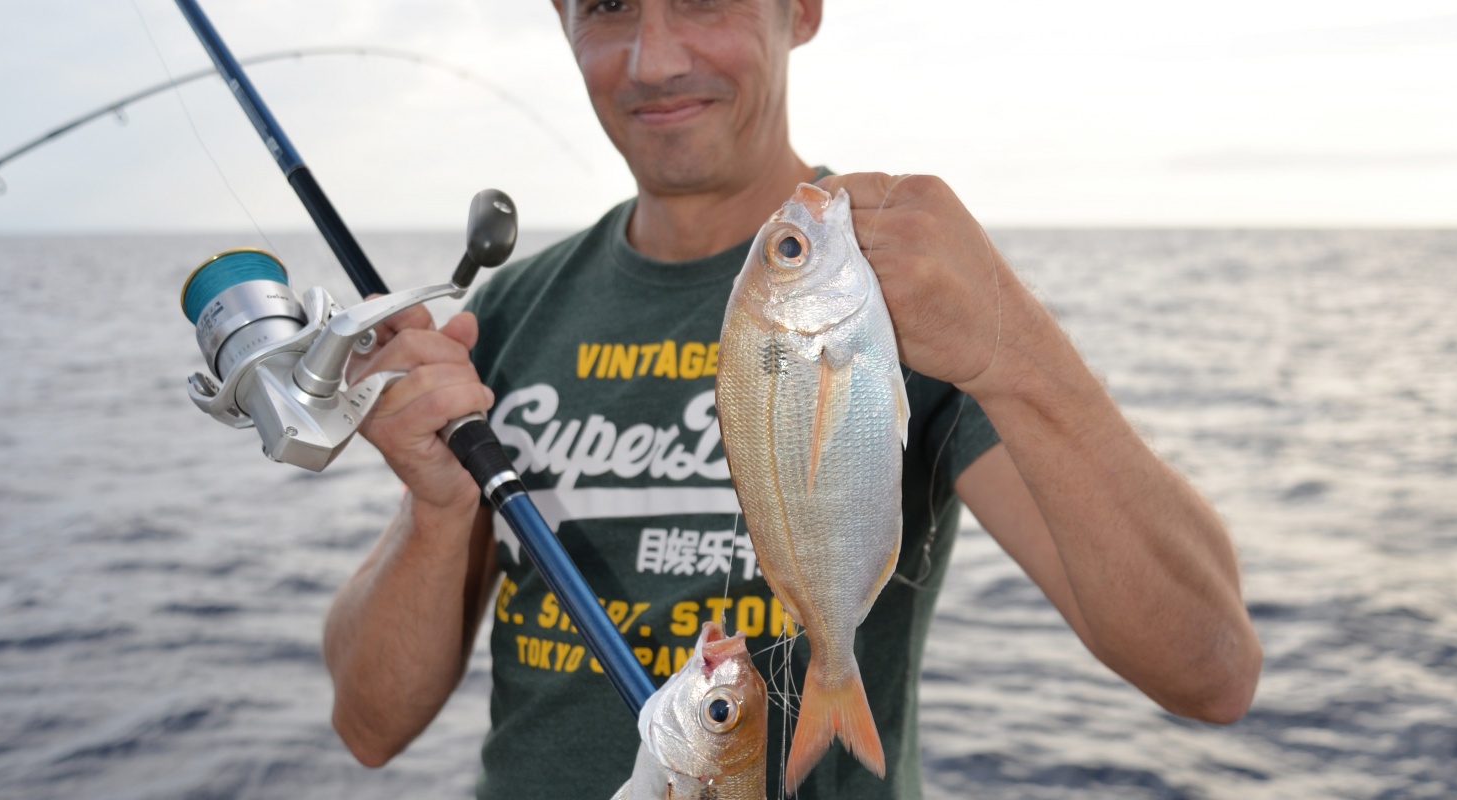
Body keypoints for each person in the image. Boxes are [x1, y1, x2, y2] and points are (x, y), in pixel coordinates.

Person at [323, 1, 1263, 797]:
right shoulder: (515, 312)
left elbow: (1210, 670)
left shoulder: (913, 301)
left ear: (801, 9)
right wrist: (441, 509)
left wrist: (1013, 346)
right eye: (606, 3)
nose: (653, 58)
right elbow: (367, 728)